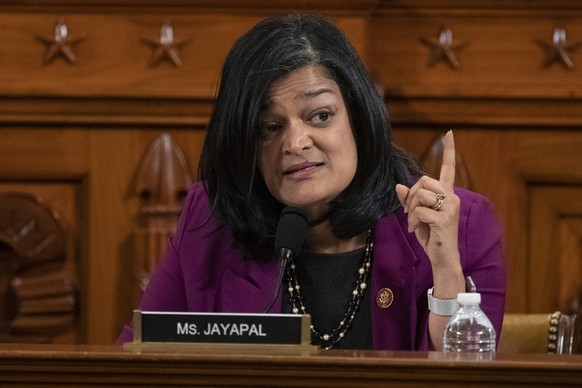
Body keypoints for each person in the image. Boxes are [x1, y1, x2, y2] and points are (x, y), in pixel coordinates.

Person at [117, 14, 505, 350]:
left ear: (359, 116)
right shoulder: (211, 220)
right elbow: (135, 360)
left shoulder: (462, 226)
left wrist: (447, 273)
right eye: (270, 126)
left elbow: (465, 375)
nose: (295, 143)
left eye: (320, 116)